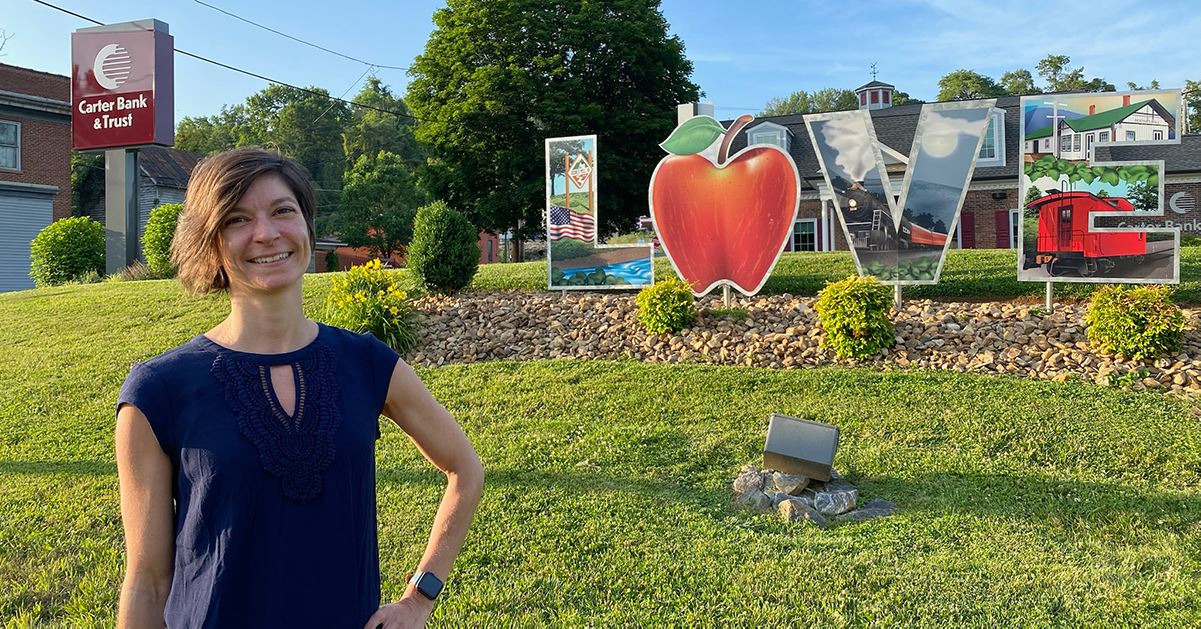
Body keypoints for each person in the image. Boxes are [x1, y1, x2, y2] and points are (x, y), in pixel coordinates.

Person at [114, 147, 483, 628]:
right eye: (237, 219)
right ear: (211, 246)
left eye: (283, 211)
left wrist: (419, 598)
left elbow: (465, 470)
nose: (267, 234)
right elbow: (147, 582)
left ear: (307, 226)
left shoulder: (367, 363)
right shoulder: (158, 391)